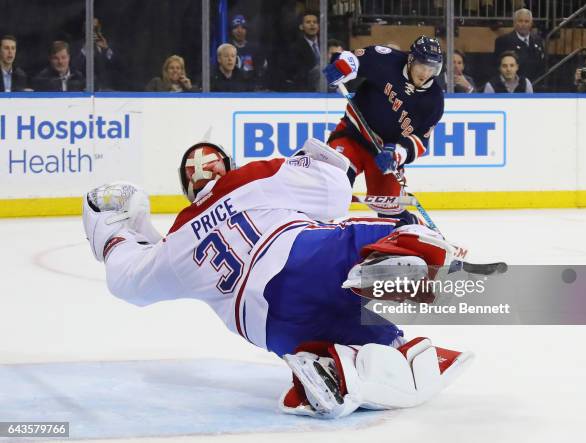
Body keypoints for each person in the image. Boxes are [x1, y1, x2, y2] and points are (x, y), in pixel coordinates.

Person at [82, 137, 471, 419]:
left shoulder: (175, 246)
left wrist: (117, 233)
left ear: (188, 190)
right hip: (305, 265)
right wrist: (332, 164)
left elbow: (128, 283)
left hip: (272, 327)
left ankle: (328, 367)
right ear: (228, 168)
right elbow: (334, 189)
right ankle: (401, 254)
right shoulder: (253, 176)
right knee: (377, 237)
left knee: (380, 343)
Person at [323, 36, 445, 222]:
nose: (426, 73)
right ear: (411, 59)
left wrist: (397, 154)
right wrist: (341, 68)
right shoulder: (387, 59)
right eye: (422, 65)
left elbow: (420, 140)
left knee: (391, 213)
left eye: (432, 68)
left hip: (385, 154)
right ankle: (317, 228)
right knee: (333, 183)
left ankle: (411, 226)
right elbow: (352, 60)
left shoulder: (434, 99)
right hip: (352, 136)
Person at [493, 8, 544, 82]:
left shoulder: (538, 40)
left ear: (531, 23)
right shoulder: (503, 41)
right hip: (514, 86)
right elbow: (497, 66)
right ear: (514, 23)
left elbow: (542, 63)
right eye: (520, 21)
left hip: (536, 85)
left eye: (526, 21)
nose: (523, 24)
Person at [71, 17, 123, 91]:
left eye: (95, 28)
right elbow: (74, 67)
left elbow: (119, 66)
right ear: (84, 29)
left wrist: (107, 49)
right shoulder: (77, 46)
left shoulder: (108, 44)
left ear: (99, 28)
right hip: (85, 88)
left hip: (107, 88)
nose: (93, 31)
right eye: (90, 28)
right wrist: (84, 50)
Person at [229, 14, 267, 90]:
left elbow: (260, 72)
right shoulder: (227, 49)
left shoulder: (255, 49)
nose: (239, 30)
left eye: (243, 27)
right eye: (236, 27)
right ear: (231, 30)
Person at [287, 11, 321, 91]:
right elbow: (295, 73)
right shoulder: (295, 48)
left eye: (315, 22)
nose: (312, 24)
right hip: (306, 90)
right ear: (301, 26)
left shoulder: (325, 44)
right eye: (308, 22)